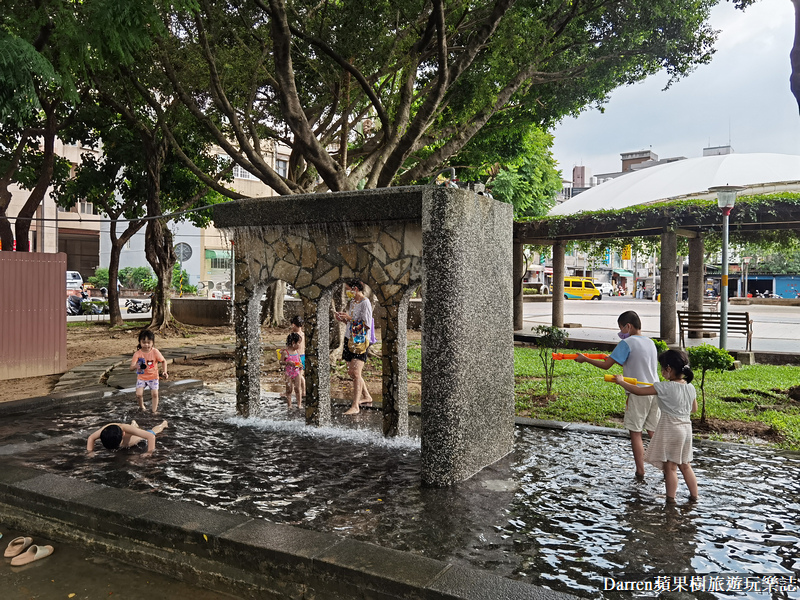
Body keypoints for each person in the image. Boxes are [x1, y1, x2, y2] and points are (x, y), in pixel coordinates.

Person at [575, 311, 659, 481]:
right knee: (653, 432)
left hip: (637, 392)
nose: (620, 332)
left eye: (621, 328)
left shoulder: (627, 342)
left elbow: (607, 366)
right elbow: (633, 360)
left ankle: (640, 471)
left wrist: (585, 359)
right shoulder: (650, 342)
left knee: (635, 432)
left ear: (628, 326)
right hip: (655, 391)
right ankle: (667, 468)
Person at [612, 349, 699, 503]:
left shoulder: (663, 387)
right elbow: (694, 409)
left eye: (662, 368)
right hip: (686, 431)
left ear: (669, 369)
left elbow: (638, 391)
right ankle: (694, 497)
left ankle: (670, 501)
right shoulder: (689, 387)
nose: (661, 372)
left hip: (672, 430)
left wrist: (621, 381)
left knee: (670, 467)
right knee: (686, 466)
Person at [333, 279, 374, 415]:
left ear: (355, 289)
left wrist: (349, 318)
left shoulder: (365, 303)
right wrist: (342, 318)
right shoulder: (352, 303)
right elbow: (350, 322)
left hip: (360, 339)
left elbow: (367, 324)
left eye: (348, 289)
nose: (347, 292)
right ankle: (367, 396)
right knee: (352, 373)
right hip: (348, 338)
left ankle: (355, 406)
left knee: (356, 373)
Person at [130, 329, 168, 413]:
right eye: (144, 342)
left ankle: (154, 411)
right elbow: (131, 367)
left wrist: (164, 371)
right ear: (140, 342)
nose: (146, 345)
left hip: (153, 377)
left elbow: (163, 361)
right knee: (138, 394)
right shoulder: (137, 354)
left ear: (152, 343)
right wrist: (136, 366)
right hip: (142, 377)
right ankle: (142, 407)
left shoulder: (155, 352)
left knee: (155, 394)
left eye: (148, 342)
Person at [86, 420, 168, 454]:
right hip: (129, 433)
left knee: (153, 432)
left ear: (123, 434)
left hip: (138, 438)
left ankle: (163, 424)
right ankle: (134, 425)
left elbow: (151, 437)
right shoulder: (105, 431)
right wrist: (90, 452)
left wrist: (149, 453)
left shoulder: (125, 429)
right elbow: (91, 438)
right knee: (134, 429)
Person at [283, 332, 304, 408]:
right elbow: (281, 362)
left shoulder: (296, 352)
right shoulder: (286, 352)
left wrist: (300, 365)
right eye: (298, 343)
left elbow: (299, 361)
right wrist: (288, 362)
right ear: (293, 343)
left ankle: (299, 404)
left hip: (296, 372)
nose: (299, 345)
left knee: (297, 388)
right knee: (289, 389)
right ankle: (289, 405)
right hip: (288, 373)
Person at [290, 315, 306, 399]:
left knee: (294, 375)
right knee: (300, 374)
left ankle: (292, 391)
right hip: (303, 356)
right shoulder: (303, 334)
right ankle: (304, 391)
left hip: (296, 357)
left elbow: (292, 347)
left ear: (293, 325)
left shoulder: (294, 335)